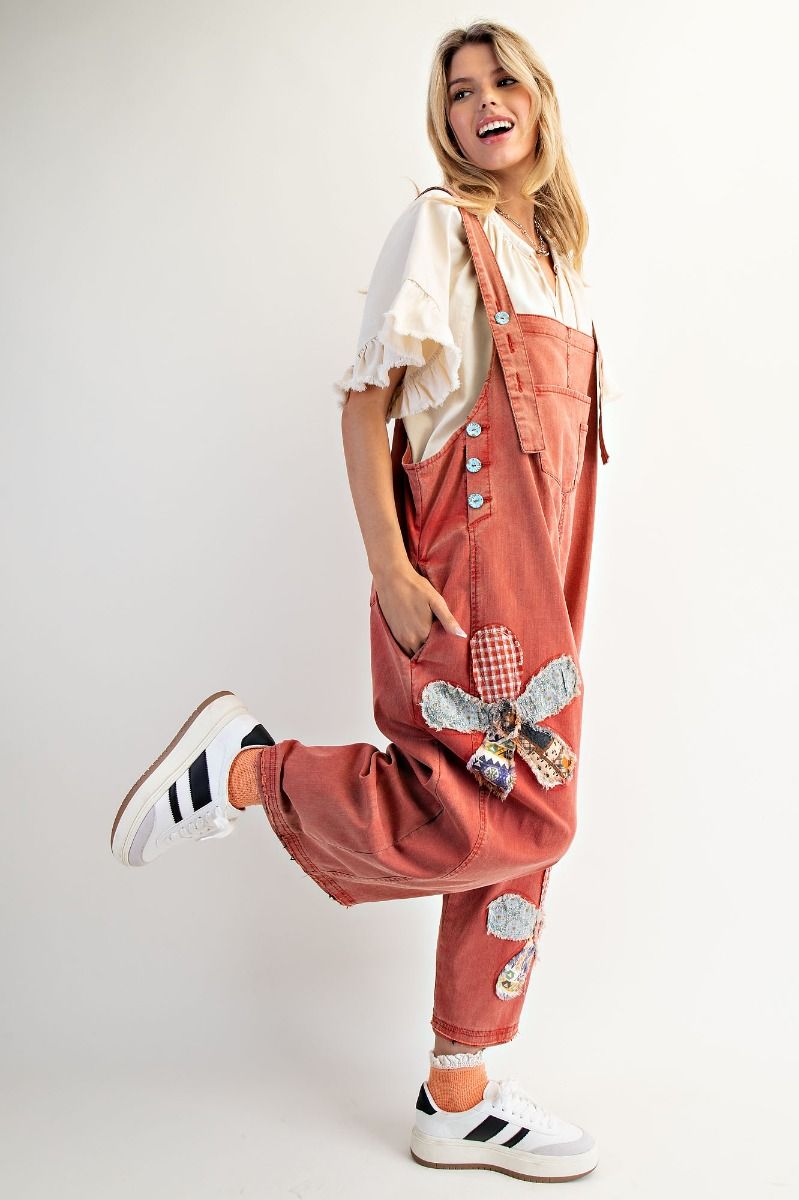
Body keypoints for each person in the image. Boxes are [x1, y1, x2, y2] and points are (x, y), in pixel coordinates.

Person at [110, 19, 623, 1186]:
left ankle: (458, 1098)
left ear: (539, 98)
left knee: (513, 835)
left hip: (550, 570)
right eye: (459, 91)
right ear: (443, 123)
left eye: (500, 80)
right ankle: (250, 772)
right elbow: (365, 404)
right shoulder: (443, 228)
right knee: (507, 811)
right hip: (467, 562)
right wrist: (390, 569)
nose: (482, 102)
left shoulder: (560, 263)